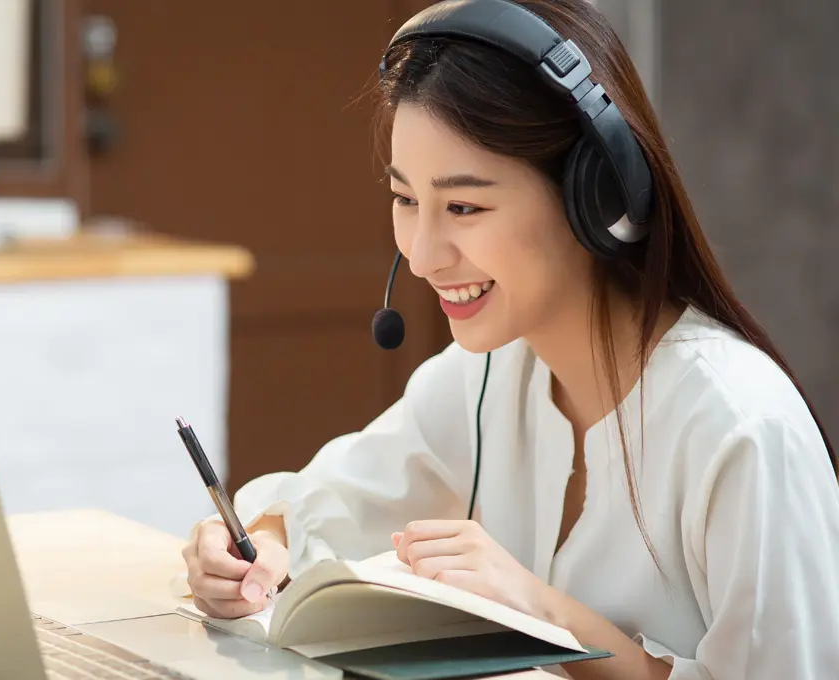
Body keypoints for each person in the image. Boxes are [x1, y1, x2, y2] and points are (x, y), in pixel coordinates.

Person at [180, 1, 839, 678]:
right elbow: (326, 505)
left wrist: (541, 612)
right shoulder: (488, 375)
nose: (423, 255)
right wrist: (252, 547)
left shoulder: (740, 428)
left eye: (463, 207)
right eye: (406, 200)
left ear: (599, 197)